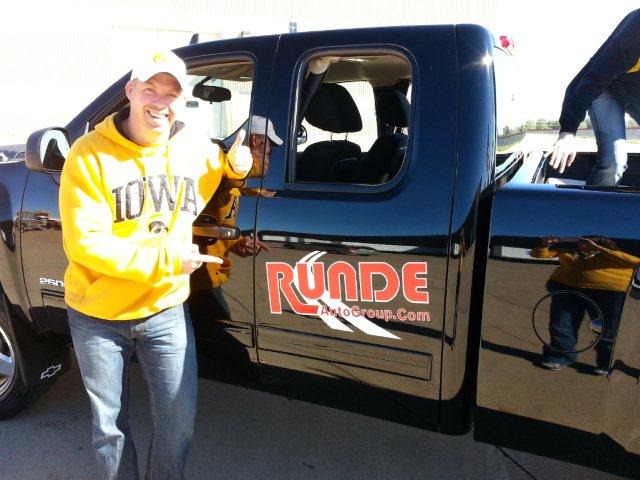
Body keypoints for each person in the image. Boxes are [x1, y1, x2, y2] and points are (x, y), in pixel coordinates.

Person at [59, 50, 252, 480]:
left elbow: (225, 169)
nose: (160, 101)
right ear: (129, 91)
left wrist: (238, 167)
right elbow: (85, 245)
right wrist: (167, 258)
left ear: (182, 100)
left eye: (172, 92)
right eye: (150, 88)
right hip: (98, 315)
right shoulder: (87, 155)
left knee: (178, 422)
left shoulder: (196, 150)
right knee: (110, 429)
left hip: (165, 311)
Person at [189, 115, 282, 321]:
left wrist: (238, 243)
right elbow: (227, 182)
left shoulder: (240, 185)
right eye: (267, 152)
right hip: (198, 279)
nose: (268, 160)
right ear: (255, 141)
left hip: (210, 278)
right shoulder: (221, 171)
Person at [549, 9, 640, 185]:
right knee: (614, 162)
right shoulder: (636, 29)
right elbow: (590, 79)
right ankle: (589, 210)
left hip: (633, 91)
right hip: (605, 89)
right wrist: (568, 131)